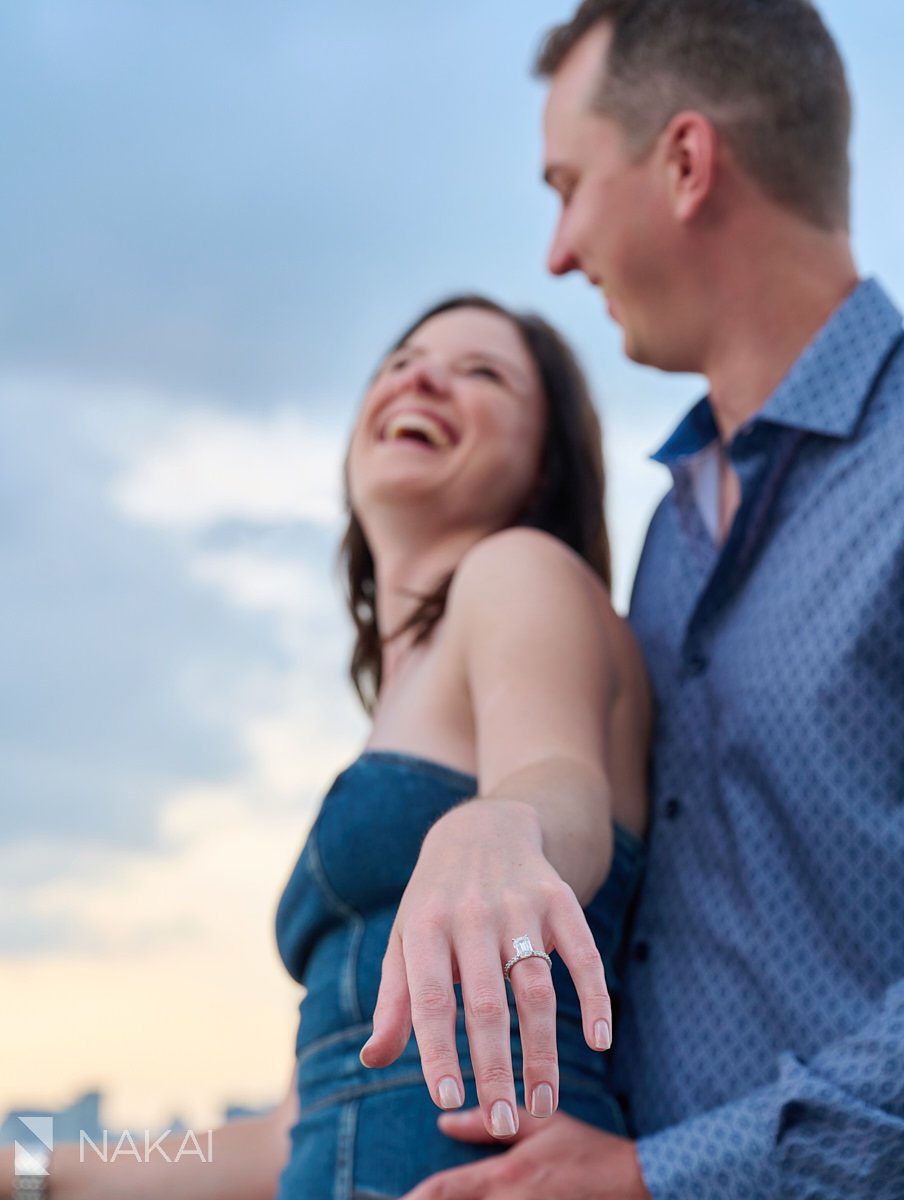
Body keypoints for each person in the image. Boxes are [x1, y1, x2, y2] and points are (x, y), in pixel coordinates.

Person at [395, 3, 904, 1199]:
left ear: (684, 163)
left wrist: (662, 1177)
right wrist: (44, 1168)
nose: (557, 253)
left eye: (567, 186)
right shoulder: (670, 542)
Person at [0, 294, 649, 1200]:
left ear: (544, 470)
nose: (419, 375)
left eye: (481, 372)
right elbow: (281, 1139)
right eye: (403, 358)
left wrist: (501, 823)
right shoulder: (400, 708)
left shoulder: (522, 572)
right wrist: (27, 1170)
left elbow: (558, 779)